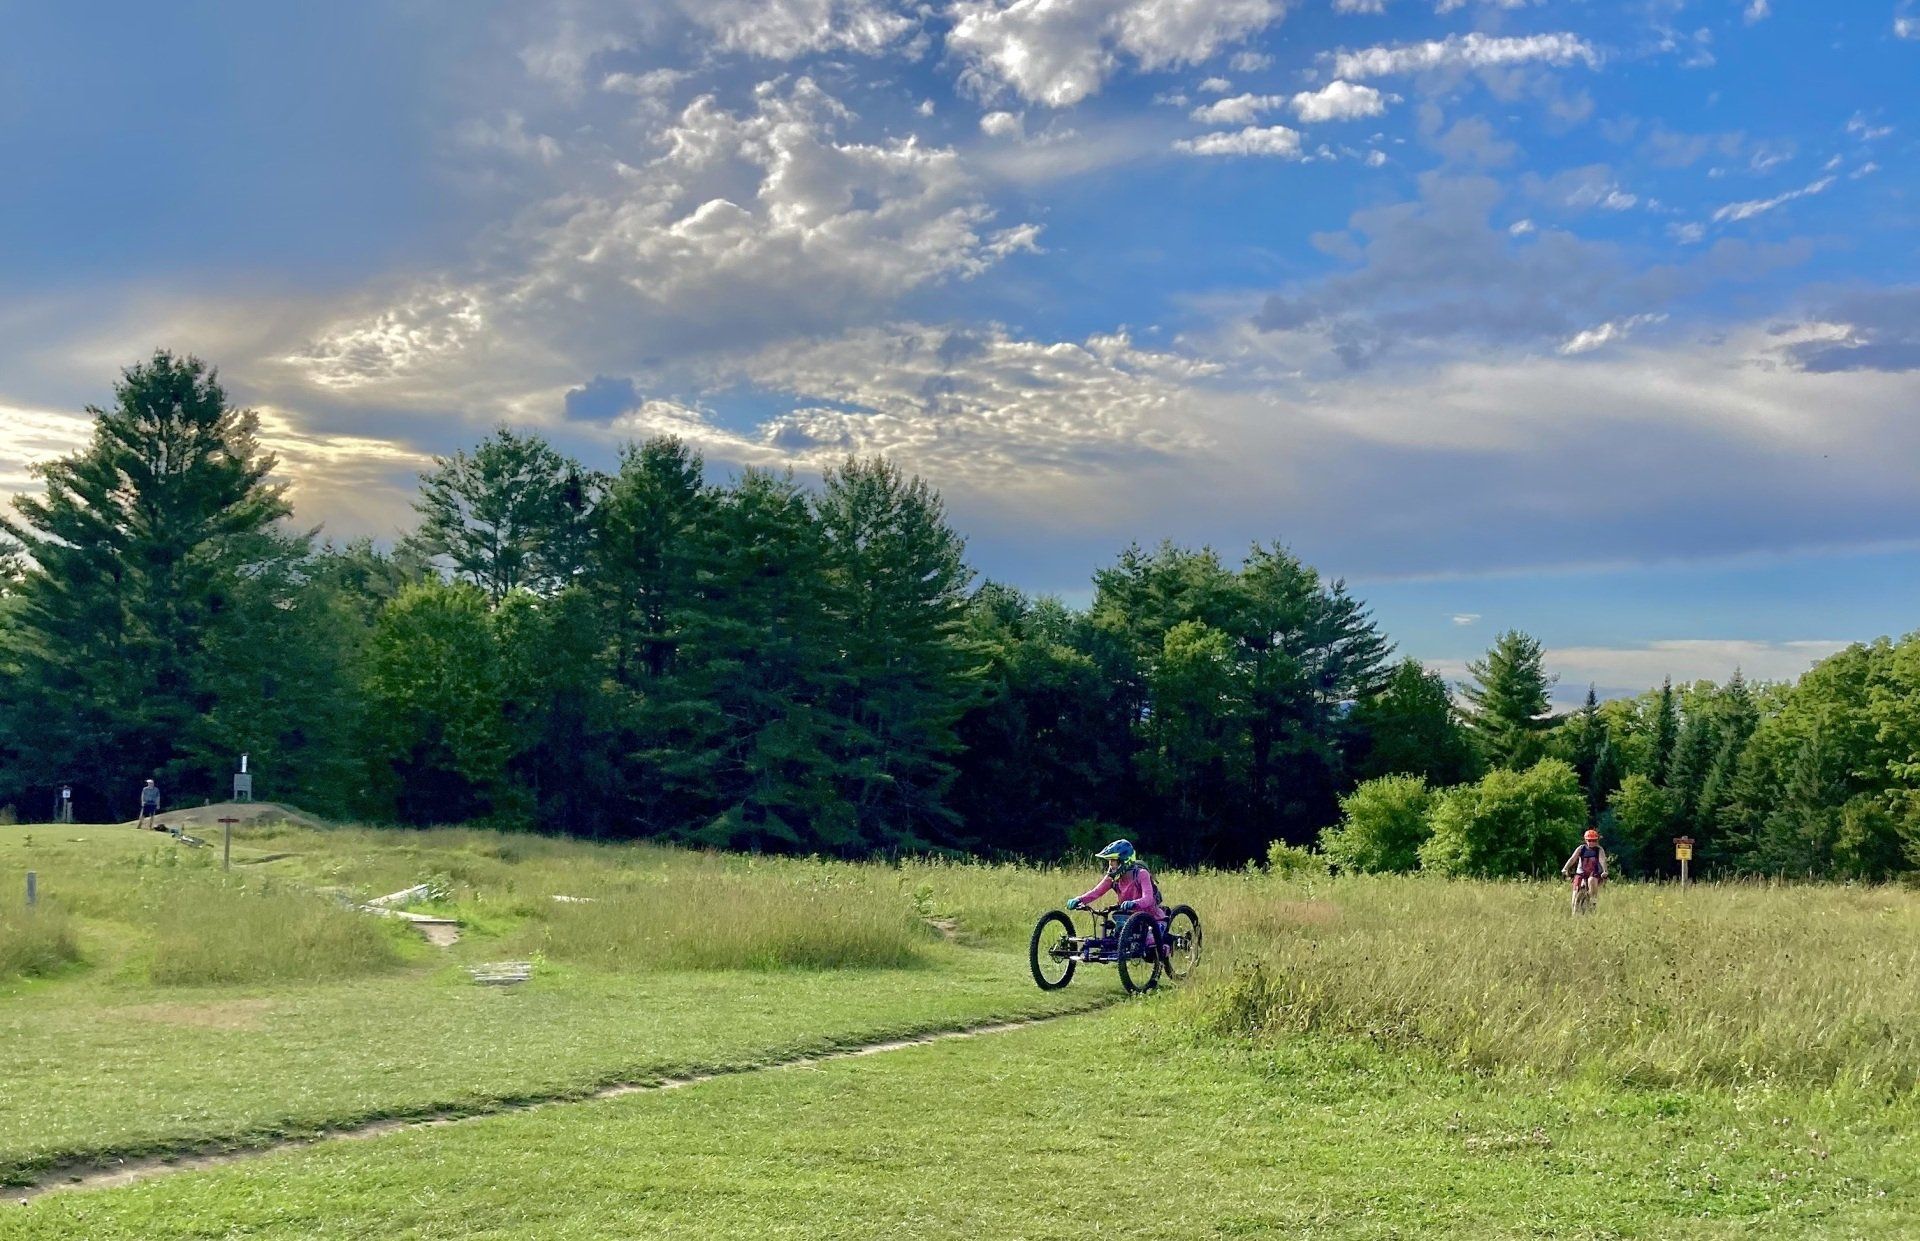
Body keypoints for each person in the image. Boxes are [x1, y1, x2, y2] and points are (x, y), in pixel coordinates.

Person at [1067, 839, 1169, 965]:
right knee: (1113, 942)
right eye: (1109, 861)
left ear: (1124, 860)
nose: (1111, 865)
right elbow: (1096, 892)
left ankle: (1166, 950)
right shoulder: (1113, 878)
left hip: (1152, 918)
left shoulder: (1142, 874)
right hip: (1128, 920)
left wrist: (1134, 903)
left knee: (1150, 945)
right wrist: (1079, 899)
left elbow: (1148, 899)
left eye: (1113, 861)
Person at [1561, 828, 1608, 914]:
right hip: (1581, 873)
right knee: (1575, 894)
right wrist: (1565, 868)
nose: (1591, 843)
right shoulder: (1581, 848)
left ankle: (1593, 902)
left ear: (1597, 840)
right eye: (1589, 840)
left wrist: (1605, 871)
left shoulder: (1599, 850)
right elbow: (1572, 859)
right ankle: (1574, 913)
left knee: (1592, 880)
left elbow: (1602, 860)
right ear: (1585, 840)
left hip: (1593, 873)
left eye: (1594, 840)